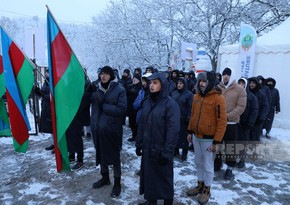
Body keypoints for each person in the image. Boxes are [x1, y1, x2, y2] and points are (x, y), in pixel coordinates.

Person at [136, 73, 180, 205]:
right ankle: (151, 200)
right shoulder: (148, 101)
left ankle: (168, 202)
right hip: (148, 148)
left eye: (155, 83)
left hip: (161, 150)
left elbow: (173, 130)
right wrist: (139, 143)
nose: (151, 85)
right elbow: (142, 124)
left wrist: (167, 152)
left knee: (164, 180)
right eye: (150, 83)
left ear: (162, 84)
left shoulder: (170, 105)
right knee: (149, 177)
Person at [187, 71, 227, 205]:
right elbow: (193, 115)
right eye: (200, 81)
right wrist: (189, 131)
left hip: (209, 139)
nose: (201, 84)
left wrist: (217, 141)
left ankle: (207, 190)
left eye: (204, 81)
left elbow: (222, 121)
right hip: (196, 137)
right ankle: (200, 185)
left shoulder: (218, 98)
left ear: (210, 82)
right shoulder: (196, 96)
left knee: (208, 166)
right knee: (198, 163)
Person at [90, 66, 127, 198]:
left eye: (105, 74)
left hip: (112, 130)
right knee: (101, 154)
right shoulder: (95, 89)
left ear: (111, 75)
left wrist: (105, 106)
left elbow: (122, 110)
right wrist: (87, 91)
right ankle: (105, 178)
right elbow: (85, 103)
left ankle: (117, 183)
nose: (103, 76)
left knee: (115, 157)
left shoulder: (119, 90)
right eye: (101, 74)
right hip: (97, 129)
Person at [215, 67, 246, 180]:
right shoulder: (218, 88)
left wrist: (227, 116)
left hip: (232, 124)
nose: (225, 76)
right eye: (224, 74)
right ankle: (217, 164)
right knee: (217, 144)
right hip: (219, 123)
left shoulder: (239, 90)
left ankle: (229, 169)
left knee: (230, 148)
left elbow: (241, 107)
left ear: (232, 76)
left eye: (228, 74)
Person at [236, 77, 259, 168]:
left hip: (245, 124)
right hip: (235, 123)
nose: (241, 85)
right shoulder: (236, 94)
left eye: (243, 83)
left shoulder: (251, 97)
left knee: (243, 142)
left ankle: (242, 160)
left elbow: (254, 111)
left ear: (246, 85)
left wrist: (249, 123)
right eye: (239, 83)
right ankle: (232, 158)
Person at [171, 77, 193, 161]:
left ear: (184, 84)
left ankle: (184, 153)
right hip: (175, 118)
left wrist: (188, 118)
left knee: (184, 138)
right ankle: (175, 151)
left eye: (181, 83)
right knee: (175, 136)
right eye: (178, 83)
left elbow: (190, 107)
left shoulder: (189, 94)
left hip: (184, 119)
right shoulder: (174, 93)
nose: (179, 85)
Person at [34, 69, 53, 152]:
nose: (46, 74)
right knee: (51, 128)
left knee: (54, 128)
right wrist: (38, 91)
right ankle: (54, 144)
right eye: (46, 72)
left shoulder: (53, 82)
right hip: (46, 107)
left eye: (48, 73)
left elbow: (53, 96)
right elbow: (43, 93)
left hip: (52, 108)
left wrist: (43, 95)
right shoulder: (46, 82)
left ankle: (58, 145)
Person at [248, 77, 269, 142]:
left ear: (257, 84)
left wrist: (261, 118)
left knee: (254, 138)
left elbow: (265, 108)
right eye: (250, 83)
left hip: (257, 121)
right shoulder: (246, 93)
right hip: (247, 120)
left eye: (253, 83)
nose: (251, 84)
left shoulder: (262, 95)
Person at [127, 73, 142, 141]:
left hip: (137, 109)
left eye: (136, 79)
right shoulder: (130, 86)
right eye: (133, 78)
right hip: (130, 108)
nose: (134, 80)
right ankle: (134, 135)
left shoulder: (140, 88)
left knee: (137, 123)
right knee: (131, 123)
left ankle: (138, 136)